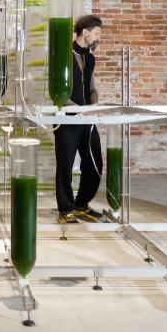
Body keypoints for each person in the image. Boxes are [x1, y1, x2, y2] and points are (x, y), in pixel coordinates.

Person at [55, 15, 104, 224]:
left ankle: (81, 204)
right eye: (97, 33)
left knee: (95, 162)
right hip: (66, 119)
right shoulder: (62, 56)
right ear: (85, 32)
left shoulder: (90, 58)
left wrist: (93, 105)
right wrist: (79, 110)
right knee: (65, 165)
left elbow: (92, 89)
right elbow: (57, 92)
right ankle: (65, 210)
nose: (99, 37)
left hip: (87, 120)